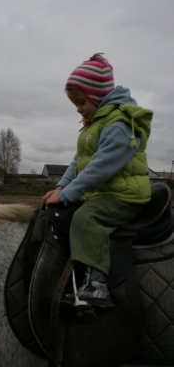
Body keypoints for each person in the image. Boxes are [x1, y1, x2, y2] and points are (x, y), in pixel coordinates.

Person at [42, 53, 153, 308]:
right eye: (76, 105)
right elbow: (77, 162)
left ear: (98, 95)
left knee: (87, 218)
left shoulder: (120, 124)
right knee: (65, 211)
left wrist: (69, 194)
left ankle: (96, 285)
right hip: (104, 193)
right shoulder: (93, 125)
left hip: (123, 196)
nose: (79, 109)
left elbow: (100, 168)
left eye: (81, 102)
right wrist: (61, 187)